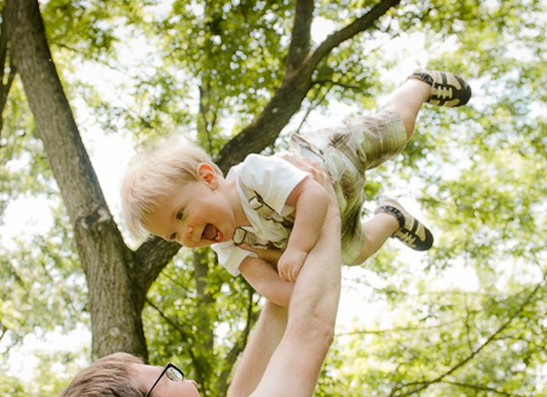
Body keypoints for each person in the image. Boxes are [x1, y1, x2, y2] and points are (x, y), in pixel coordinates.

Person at [47, 167, 342, 397]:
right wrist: (326, 205)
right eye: (170, 376)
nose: (190, 383)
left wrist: (274, 281)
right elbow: (309, 334)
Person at [120, 70, 471, 306]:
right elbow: (267, 285)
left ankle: (419, 84)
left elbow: (313, 195)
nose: (188, 232)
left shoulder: (251, 177)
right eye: (174, 235)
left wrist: (297, 250)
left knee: (395, 132)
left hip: (332, 160)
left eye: (181, 214)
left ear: (210, 179)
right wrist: (299, 297)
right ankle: (392, 217)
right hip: (334, 217)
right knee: (354, 254)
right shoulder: (229, 246)